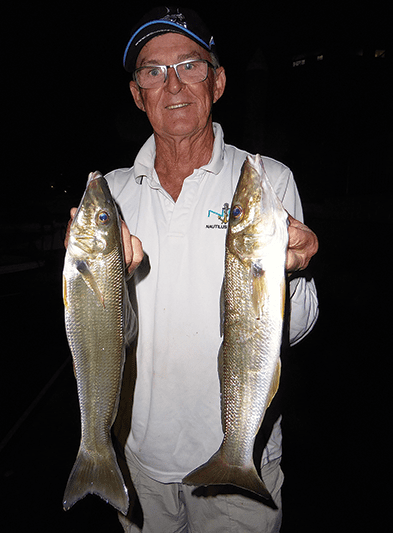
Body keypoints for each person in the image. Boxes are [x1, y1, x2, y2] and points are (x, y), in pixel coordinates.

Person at [68, 7, 319, 532]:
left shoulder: (267, 180)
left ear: (219, 80)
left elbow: (293, 330)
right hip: (138, 465)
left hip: (239, 461)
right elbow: (102, 334)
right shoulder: (110, 195)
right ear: (137, 94)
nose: (173, 83)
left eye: (190, 65)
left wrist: (288, 274)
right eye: (153, 71)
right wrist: (90, 276)